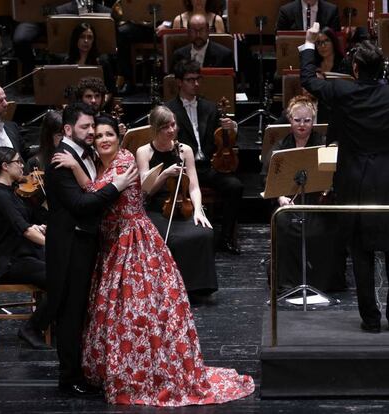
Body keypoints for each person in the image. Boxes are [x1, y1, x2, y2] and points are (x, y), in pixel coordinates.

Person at [52, 114, 254, 406]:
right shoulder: (98, 164)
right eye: (98, 136)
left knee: (140, 311)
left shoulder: (124, 162)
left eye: (109, 134)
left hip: (134, 243)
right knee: (115, 311)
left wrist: (75, 169)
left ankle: (145, 371)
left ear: (119, 138)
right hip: (111, 245)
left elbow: (97, 193)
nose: (104, 140)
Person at [300, 22, 389, 333]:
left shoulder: (342, 90)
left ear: (354, 68)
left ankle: (371, 320)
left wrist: (309, 44)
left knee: (361, 252)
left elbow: (309, 80)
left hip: (354, 180)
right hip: (387, 179)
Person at [45, 102, 138, 396]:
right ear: (69, 129)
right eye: (86, 128)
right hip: (71, 245)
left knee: (82, 310)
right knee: (70, 312)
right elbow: (81, 205)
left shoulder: (89, 156)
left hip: (91, 242)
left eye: (93, 128)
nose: (91, 133)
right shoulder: (61, 161)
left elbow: (90, 187)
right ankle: (68, 376)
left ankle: (82, 369)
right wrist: (116, 186)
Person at [262, 96, 346, 292]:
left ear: (313, 121)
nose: (302, 125)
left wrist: (327, 190)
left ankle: (323, 282)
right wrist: (280, 197)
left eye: (307, 120)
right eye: (297, 120)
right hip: (289, 203)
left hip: (318, 201)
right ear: (290, 120)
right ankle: (288, 282)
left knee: (326, 227)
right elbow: (268, 179)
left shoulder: (323, 144)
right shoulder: (280, 147)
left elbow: (334, 176)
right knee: (283, 223)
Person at [136, 105, 217, 300]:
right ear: (155, 129)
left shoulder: (184, 150)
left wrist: (198, 211)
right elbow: (145, 192)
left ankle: (199, 288)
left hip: (183, 205)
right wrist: (164, 174)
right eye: (165, 127)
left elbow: (194, 187)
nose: (171, 130)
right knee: (174, 239)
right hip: (156, 208)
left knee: (205, 233)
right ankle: (173, 287)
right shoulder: (144, 152)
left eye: (173, 125)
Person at [166, 59, 243, 254]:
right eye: (191, 80)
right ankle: (183, 241)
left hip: (209, 166)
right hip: (183, 168)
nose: (196, 84)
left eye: (198, 79)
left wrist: (231, 127)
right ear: (179, 82)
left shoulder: (210, 107)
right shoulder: (168, 111)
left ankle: (225, 238)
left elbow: (226, 136)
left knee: (235, 186)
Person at [0, 147, 50, 349]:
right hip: (12, 262)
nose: (22, 166)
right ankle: (31, 327)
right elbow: (25, 232)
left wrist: (36, 225)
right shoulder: (1, 196)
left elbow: (24, 224)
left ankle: (49, 323)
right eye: (18, 162)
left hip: (23, 256)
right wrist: (56, 245)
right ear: (5, 166)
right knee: (61, 278)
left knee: (64, 273)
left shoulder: (10, 192)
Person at [64, 22, 115, 93]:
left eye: (90, 37)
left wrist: (100, 102)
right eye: (82, 37)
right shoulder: (68, 61)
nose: (86, 41)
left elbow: (110, 90)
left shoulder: (102, 62)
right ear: (76, 39)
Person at [276, 0, 340, 32]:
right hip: (294, 56)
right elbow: (279, 42)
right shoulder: (285, 11)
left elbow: (335, 42)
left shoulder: (332, 11)